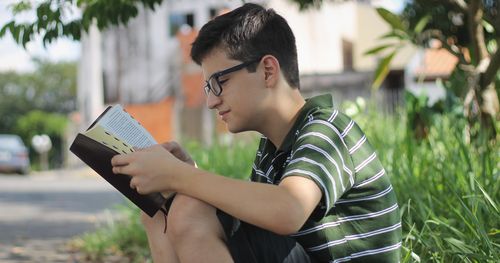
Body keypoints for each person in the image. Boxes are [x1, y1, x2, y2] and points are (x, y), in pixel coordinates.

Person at [111, 3, 402, 262]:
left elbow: (288, 209)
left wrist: (180, 176)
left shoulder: (326, 130)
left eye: (219, 81)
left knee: (189, 210)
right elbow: (252, 221)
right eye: (207, 87)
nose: (211, 100)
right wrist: (186, 174)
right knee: (160, 211)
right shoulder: (271, 150)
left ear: (267, 71)